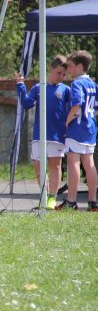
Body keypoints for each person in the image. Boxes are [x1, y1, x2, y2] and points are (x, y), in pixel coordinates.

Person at [16, 54, 70, 210]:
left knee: (55, 166)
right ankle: (43, 196)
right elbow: (27, 104)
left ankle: (52, 199)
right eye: (59, 73)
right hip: (39, 134)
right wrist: (20, 86)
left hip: (57, 135)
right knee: (38, 167)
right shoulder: (39, 87)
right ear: (52, 69)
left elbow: (73, 110)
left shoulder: (66, 90)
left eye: (64, 74)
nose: (62, 76)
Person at [58, 50, 98, 212]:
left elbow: (76, 104)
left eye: (71, 66)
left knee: (73, 161)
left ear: (80, 66)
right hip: (90, 128)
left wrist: (67, 122)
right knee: (89, 164)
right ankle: (93, 201)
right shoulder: (94, 85)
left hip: (78, 128)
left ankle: (71, 201)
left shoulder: (77, 84)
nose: (68, 70)